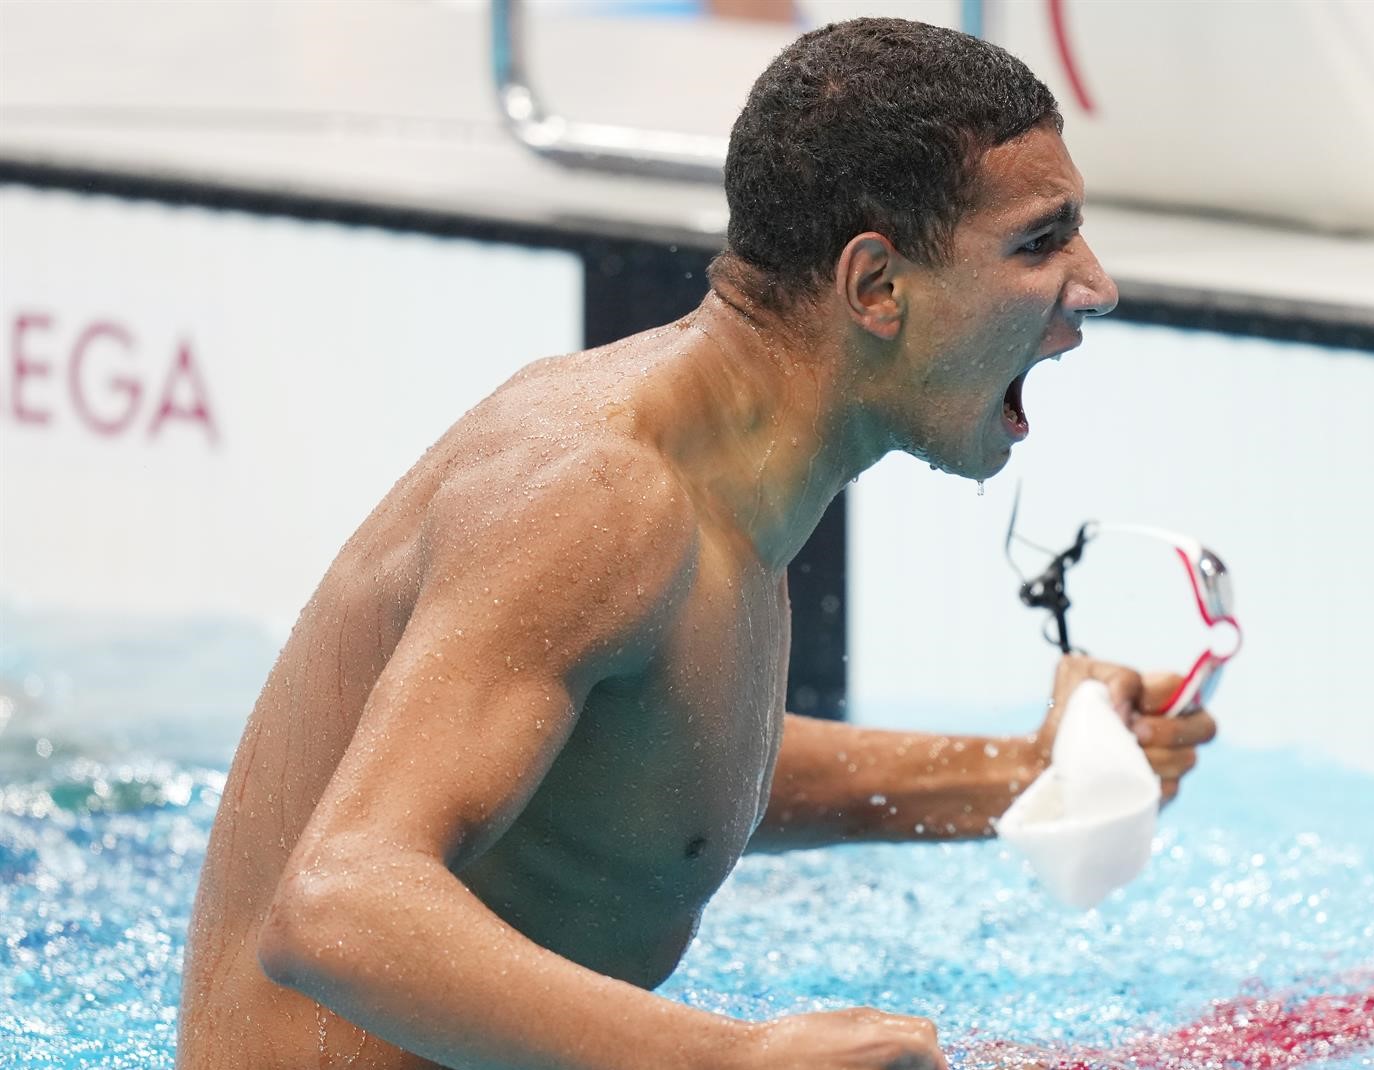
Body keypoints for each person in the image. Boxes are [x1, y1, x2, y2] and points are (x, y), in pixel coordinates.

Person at [177, 17, 1217, 1070]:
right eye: (1039, 243)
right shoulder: (600, 494)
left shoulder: (726, 475)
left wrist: (1018, 771)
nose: (1095, 285)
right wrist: (742, 1058)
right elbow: (336, 904)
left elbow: (653, 768)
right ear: (875, 287)